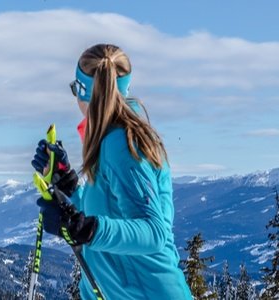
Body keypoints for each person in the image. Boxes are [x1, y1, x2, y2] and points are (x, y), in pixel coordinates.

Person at [31, 44, 192, 299]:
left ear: (83, 92)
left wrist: (86, 229)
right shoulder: (109, 141)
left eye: (75, 88)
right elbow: (110, 210)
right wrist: (68, 185)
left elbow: (154, 232)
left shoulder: (123, 143)